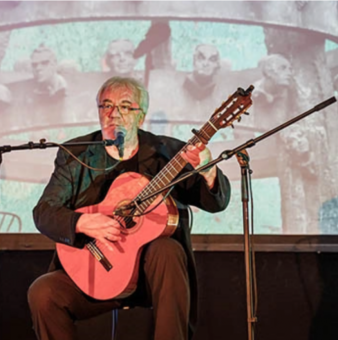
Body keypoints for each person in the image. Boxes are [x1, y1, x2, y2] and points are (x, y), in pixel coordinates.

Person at [28, 76, 231, 339]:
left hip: (152, 279)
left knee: (167, 248)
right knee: (43, 293)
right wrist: (82, 222)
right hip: (99, 270)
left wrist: (208, 170)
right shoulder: (76, 155)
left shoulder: (167, 153)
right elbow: (44, 212)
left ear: (141, 116)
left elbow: (216, 202)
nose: (114, 114)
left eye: (125, 106)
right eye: (106, 106)